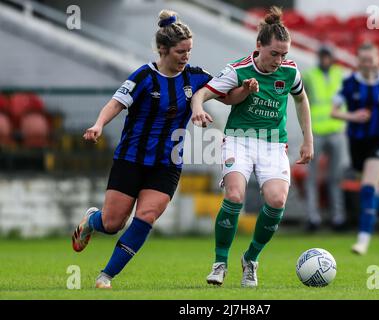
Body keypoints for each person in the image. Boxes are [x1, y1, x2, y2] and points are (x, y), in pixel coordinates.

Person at [71, 10, 257, 289]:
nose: (186, 57)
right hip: (131, 158)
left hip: (167, 163)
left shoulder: (195, 77)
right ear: (163, 49)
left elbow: (227, 97)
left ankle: (105, 276)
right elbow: (116, 103)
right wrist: (98, 124)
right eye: (180, 51)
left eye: (189, 51)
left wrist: (246, 90)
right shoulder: (144, 75)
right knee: (112, 223)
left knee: (146, 216)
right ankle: (91, 221)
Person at [191, 6, 314, 287]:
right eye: (274, 54)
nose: (279, 60)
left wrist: (308, 139)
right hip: (239, 139)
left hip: (273, 144)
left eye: (284, 54)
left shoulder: (290, 72)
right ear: (258, 46)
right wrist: (197, 108)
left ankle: (251, 259)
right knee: (234, 196)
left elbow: (301, 99)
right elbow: (204, 92)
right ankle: (220, 262)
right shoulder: (238, 70)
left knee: (277, 201)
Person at [331, 42, 379, 255]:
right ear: (358, 61)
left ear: (378, 59)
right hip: (356, 141)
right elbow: (334, 112)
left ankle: (363, 239)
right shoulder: (349, 84)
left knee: (367, 187)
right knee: (372, 187)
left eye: (370, 59)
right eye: (363, 60)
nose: (367, 63)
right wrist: (352, 116)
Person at [303, 44, 346, 231]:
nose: (325, 59)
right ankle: (313, 217)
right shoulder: (309, 75)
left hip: (336, 130)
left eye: (327, 56)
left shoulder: (341, 74)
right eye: (322, 56)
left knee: (335, 177)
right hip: (317, 131)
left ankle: (338, 217)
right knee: (312, 177)